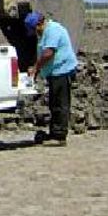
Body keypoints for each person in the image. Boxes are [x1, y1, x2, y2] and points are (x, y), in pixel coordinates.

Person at [25, 11, 78, 146]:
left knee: (60, 104)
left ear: (39, 24)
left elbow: (48, 53)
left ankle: (60, 136)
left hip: (62, 71)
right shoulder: (45, 32)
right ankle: (54, 133)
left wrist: (36, 68)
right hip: (54, 72)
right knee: (54, 104)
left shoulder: (53, 31)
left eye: (34, 30)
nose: (35, 33)